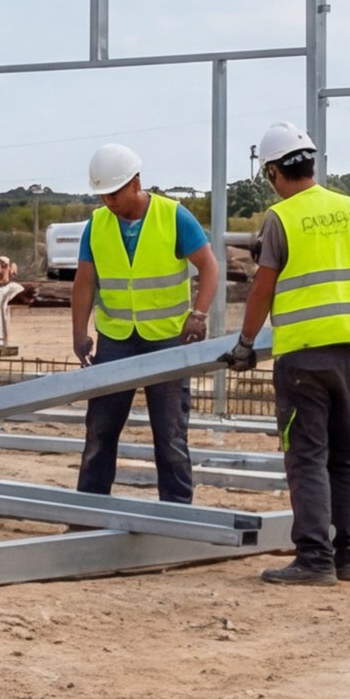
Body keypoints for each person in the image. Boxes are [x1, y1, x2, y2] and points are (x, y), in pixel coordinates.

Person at [232, 122, 350, 586]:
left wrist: (245, 343)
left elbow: (262, 288)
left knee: (306, 456)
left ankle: (313, 559)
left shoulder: (281, 218)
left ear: (273, 172)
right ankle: (349, 557)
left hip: (303, 358)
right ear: (311, 162)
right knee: (346, 455)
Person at [68, 143, 221, 505]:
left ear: (136, 182)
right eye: (103, 195)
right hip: (116, 340)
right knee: (100, 433)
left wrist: (198, 315)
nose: (109, 202)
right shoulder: (98, 224)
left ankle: (176, 514)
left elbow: (210, 266)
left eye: (115, 193)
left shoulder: (174, 216)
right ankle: (88, 511)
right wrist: (79, 332)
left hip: (167, 340)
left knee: (169, 436)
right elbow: (85, 281)